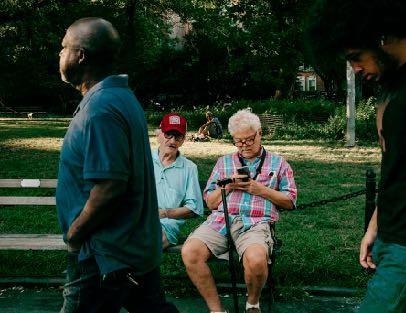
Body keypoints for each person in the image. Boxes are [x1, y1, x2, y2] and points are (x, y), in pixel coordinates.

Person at [307, 1, 406, 312]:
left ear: (381, 36)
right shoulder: (392, 82)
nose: (355, 68)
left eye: (356, 57)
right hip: (393, 239)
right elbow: (398, 166)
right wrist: (374, 227)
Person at [56, 17, 177, 313]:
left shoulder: (101, 108)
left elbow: (110, 186)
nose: (60, 54)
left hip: (104, 254)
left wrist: (75, 234)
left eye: (64, 47)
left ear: (81, 55)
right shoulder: (120, 97)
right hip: (130, 247)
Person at [181, 109, 297, 313]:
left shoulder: (279, 164)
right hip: (221, 220)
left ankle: (252, 304)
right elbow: (210, 201)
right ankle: (216, 310)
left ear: (260, 133)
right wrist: (227, 187)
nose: (243, 146)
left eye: (249, 140)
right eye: (238, 141)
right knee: (190, 252)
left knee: (257, 259)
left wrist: (261, 190)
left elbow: (290, 201)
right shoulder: (224, 162)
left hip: (256, 223)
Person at [152, 113, 204, 249]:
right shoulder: (142, 161)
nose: (173, 141)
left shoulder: (189, 168)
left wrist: (164, 213)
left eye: (178, 136)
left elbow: (194, 208)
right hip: (137, 221)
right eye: (168, 134)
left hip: (166, 226)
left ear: (183, 140)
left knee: (146, 246)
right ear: (159, 134)